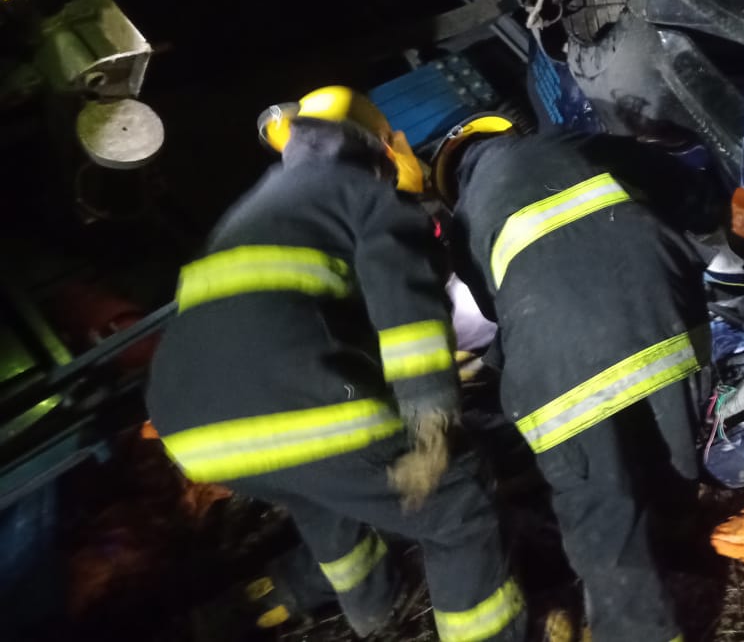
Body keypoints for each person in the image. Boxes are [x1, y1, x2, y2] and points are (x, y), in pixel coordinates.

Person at [146, 87, 525, 641]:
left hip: (190, 432)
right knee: (459, 510)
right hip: (293, 401)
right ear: (386, 149)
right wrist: (431, 421)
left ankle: (373, 608)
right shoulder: (367, 197)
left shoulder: (257, 206)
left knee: (322, 501)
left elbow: (296, 319)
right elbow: (409, 319)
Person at [433, 116, 726, 642]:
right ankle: (680, 548)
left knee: (601, 511)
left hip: (563, 371)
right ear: (507, 134)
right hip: (667, 329)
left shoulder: (465, 222)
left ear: (453, 184)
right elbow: (688, 191)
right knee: (666, 458)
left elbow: (498, 312)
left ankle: (639, 630)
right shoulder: (575, 142)